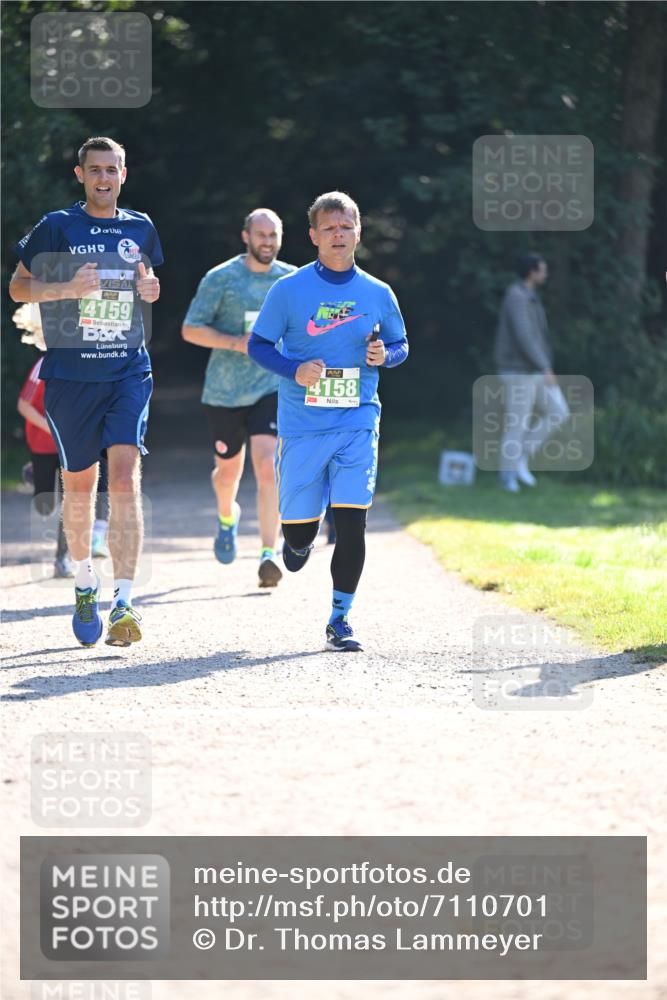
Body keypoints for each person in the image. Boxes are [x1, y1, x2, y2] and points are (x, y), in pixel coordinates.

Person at [9, 136, 163, 647]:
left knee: (123, 476)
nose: (104, 178)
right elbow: (17, 287)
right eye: (94, 169)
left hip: (127, 369)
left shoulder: (140, 227)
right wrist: (67, 289)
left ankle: (124, 600)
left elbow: (145, 284)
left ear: (124, 174)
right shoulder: (58, 225)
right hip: (71, 375)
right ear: (81, 175)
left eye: (112, 169)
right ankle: (83, 581)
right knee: (80, 485)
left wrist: (151, 291)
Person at [248, 191, 409, 651]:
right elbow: (258, 346)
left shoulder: (378, 293)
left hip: (358, 421)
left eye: (347, 226)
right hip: (302, 427)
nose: (339, 235)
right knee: (298, 544)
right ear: (313, 235)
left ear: (358, 232)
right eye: (330, 228)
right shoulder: (289, 290)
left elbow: (400, 345)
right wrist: (294, 369)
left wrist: (387, 355)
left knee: (352, 521)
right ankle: (297, 542)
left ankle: (340, 619)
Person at [181, 209, 295, 587]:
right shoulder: (222, 278)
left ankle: (268, 553)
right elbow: (190, 329)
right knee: (228, 472)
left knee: (267, 465)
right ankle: (227, 516)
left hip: (271, 386)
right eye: (260, 235)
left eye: (273, 235)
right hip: (225, 391)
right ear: (245, 236)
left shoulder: (291, 280)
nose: (267, 242)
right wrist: (235, 343)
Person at [494, 253, 570, 493]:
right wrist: (544, 366)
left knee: (559, 412)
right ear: (532, 271)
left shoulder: (530, 296)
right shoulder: (516, 296)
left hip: (532, 370)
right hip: (518, 372)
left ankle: (520, 458)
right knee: (517, 423)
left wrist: (542, 365)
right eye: (543, 269)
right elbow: (524, 336)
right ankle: (507, 477)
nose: (545, 273)